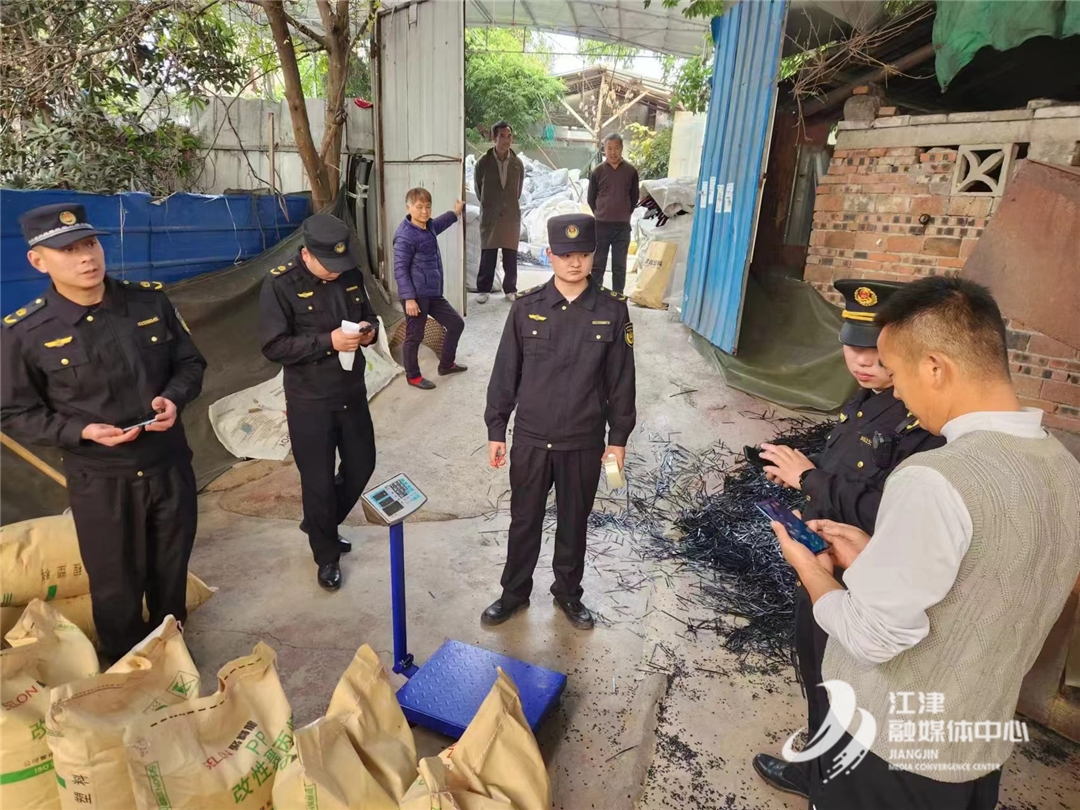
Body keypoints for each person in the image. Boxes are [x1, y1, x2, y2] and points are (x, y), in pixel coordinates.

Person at [774, 276, 1080, 809]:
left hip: (888, 751)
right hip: (974, 748)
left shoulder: (936, 477)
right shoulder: (1064, 469)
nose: (895, 392)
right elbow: (983, 579)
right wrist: (874, 555)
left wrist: (811, 570)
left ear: (935, 368)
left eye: (897, 373)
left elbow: (871, 637)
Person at [752, 279, 944, 800]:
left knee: (845, 687)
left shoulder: (923, 422)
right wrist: (802, 473)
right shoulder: (867, 398)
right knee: (816, 674)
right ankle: (817, 769)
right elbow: (848, 467)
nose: (861, 361)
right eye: (852, 346)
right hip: (821, 563)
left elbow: (891, 513)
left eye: (876, 350)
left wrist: (811, 480)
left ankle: (835, 787)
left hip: (860, 581)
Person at [1, 204, 206, 664]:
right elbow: (13, 412)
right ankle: (125, 666)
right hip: (101, 480)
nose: (86, 258)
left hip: (168, 465)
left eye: (90, 244)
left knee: (171, 570)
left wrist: (174, 397)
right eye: (68, 250)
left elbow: (190, 364)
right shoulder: (25, 332)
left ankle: (172, 654)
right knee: (116, 585)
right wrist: (80, 430)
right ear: (38, 261)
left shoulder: (149, 303)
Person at [483, 213, 636, 630]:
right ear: (550, 255)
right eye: (566, 254)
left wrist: (618, 440)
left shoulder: (612, 310)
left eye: (583, 254)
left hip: (583, 441)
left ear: (593, 255)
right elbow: (505, 373)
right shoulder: (526, 307)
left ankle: (568, 594)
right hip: (532, 438)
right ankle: (514, 594)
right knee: (524, 521)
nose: (575, 262)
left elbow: (622, 381)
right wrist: (497, 428)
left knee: (573, 523)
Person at [259, 213, 378, 591]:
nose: (336, 271)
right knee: (318, 482)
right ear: (306, 253)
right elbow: (274, 346)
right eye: (329, 264)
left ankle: (318, 522)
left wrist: (369, 332)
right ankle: (326, 555)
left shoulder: (350, 273)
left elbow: (368, 315)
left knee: (362, 465)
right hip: (310, 400)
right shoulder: (280, 284)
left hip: (351, 392)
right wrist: (329, 342)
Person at [393, 188, 468, 390]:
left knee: (456, 324)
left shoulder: (429, 226)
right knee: (414, 336)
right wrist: (409, 298)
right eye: (419, 207)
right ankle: (413, 376)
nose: (424, 211)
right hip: (416, 296)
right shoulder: (405, 236)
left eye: (428, 207)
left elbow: (442, 222)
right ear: (409, 208)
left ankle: (446, 364)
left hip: (432, 293)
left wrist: (456, 212)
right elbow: (400, 269)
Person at [474, 121, 524, 304]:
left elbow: (518, 190)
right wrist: (491, 204)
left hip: (511, 214)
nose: (506, 140)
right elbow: (478, 189)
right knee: (488, 252)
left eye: (509, 136)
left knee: (510, 253)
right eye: (502, 136)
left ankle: (510, 289)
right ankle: (483, 289)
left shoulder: (517, 163)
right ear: (494, 138)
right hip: (490, 214)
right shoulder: (483, 162)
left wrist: (507, 203)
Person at [587, 132, 640, 295]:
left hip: (622, 227)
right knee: (598, 264)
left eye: (616, 148)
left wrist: (623, 213)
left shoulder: (631, 171)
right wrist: (601, 213)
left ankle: (618, 298)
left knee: (619, 266)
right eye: (609, 148)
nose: (613, 152)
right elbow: (591, 199)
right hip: (601, 226)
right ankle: (595, 297)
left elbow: (634, 197)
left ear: (622, 149)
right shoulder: (597, 171)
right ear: (604, 149)